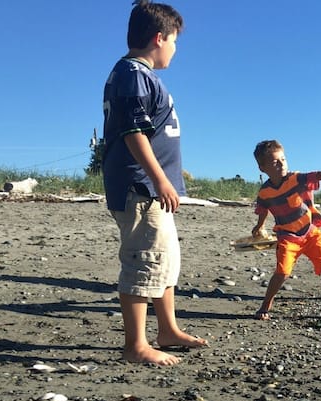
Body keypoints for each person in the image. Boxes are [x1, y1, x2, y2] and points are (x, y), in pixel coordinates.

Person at [102, 0, 207, 367]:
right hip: (140, 187)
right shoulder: (133, 74)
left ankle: (167, 328)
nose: (175, 49)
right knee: (144, 260)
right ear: (159, 38)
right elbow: (133, 131)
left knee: (165, 260)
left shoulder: (141, 76)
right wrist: (160, 179)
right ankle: (136, 345)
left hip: (151, 189)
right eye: (174, 41)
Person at [251, 140, 321, 321]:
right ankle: (265, 306)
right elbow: (263, 210)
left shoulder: (296, 179)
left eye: (283, 159)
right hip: (287, 238)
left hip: (310, 233)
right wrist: (259, 226)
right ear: (262, 168)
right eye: (275, 162)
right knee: (282, 272)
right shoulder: (265, 192)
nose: (282, 164)